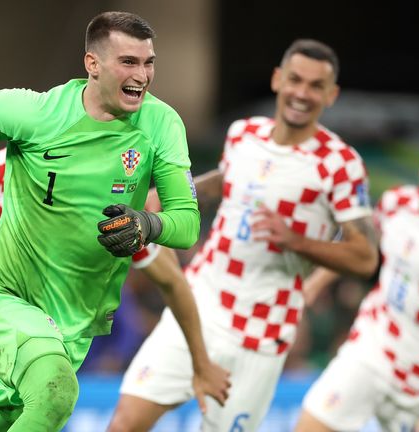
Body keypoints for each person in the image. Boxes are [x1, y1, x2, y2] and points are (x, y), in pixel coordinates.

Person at [0, 11, 229, 432]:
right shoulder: (36, 113)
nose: (143, 75)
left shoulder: (162, 124)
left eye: (149, 62)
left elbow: (185, 225)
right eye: (128, 62)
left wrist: (147, 225)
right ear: (93, 65)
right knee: (55, 394)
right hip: (3, 298)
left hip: (74, 321)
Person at [108, 38, 380, 432]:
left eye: (315, 86)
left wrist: (296, 240)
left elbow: (365, 257)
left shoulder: (341, 165)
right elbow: (227, 179)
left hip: (261, 331)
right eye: (295, 80)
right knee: (125, 423)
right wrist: (168, 194)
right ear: (277, 80)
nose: (302, 93)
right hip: (200, 303)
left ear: (331, 94)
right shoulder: (243, 133)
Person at [0, 149, 230, 432]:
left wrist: (201, 365)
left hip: (37, 331)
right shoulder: (7, 164)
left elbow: (173, 283)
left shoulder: (110, 210)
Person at [296, 134, 419, 432]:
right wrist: (316, 282)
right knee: (310, 426)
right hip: (370, 346)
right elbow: (362, 244)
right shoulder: (396, 201)